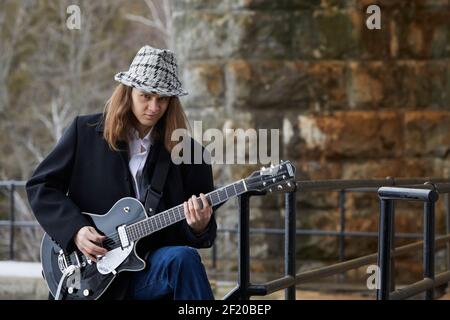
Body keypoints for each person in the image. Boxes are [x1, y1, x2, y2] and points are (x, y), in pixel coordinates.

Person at [26, 45, 217, 300]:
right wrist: (76, 231)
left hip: (146, 271)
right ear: (128, 93)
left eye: (162, 98)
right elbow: (41, 186)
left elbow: (203, 233)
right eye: (146, 96)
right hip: (89, 274)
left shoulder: (190, 154)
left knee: (184, 259)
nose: (153, 106)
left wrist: (199, 226)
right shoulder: (85, 132)